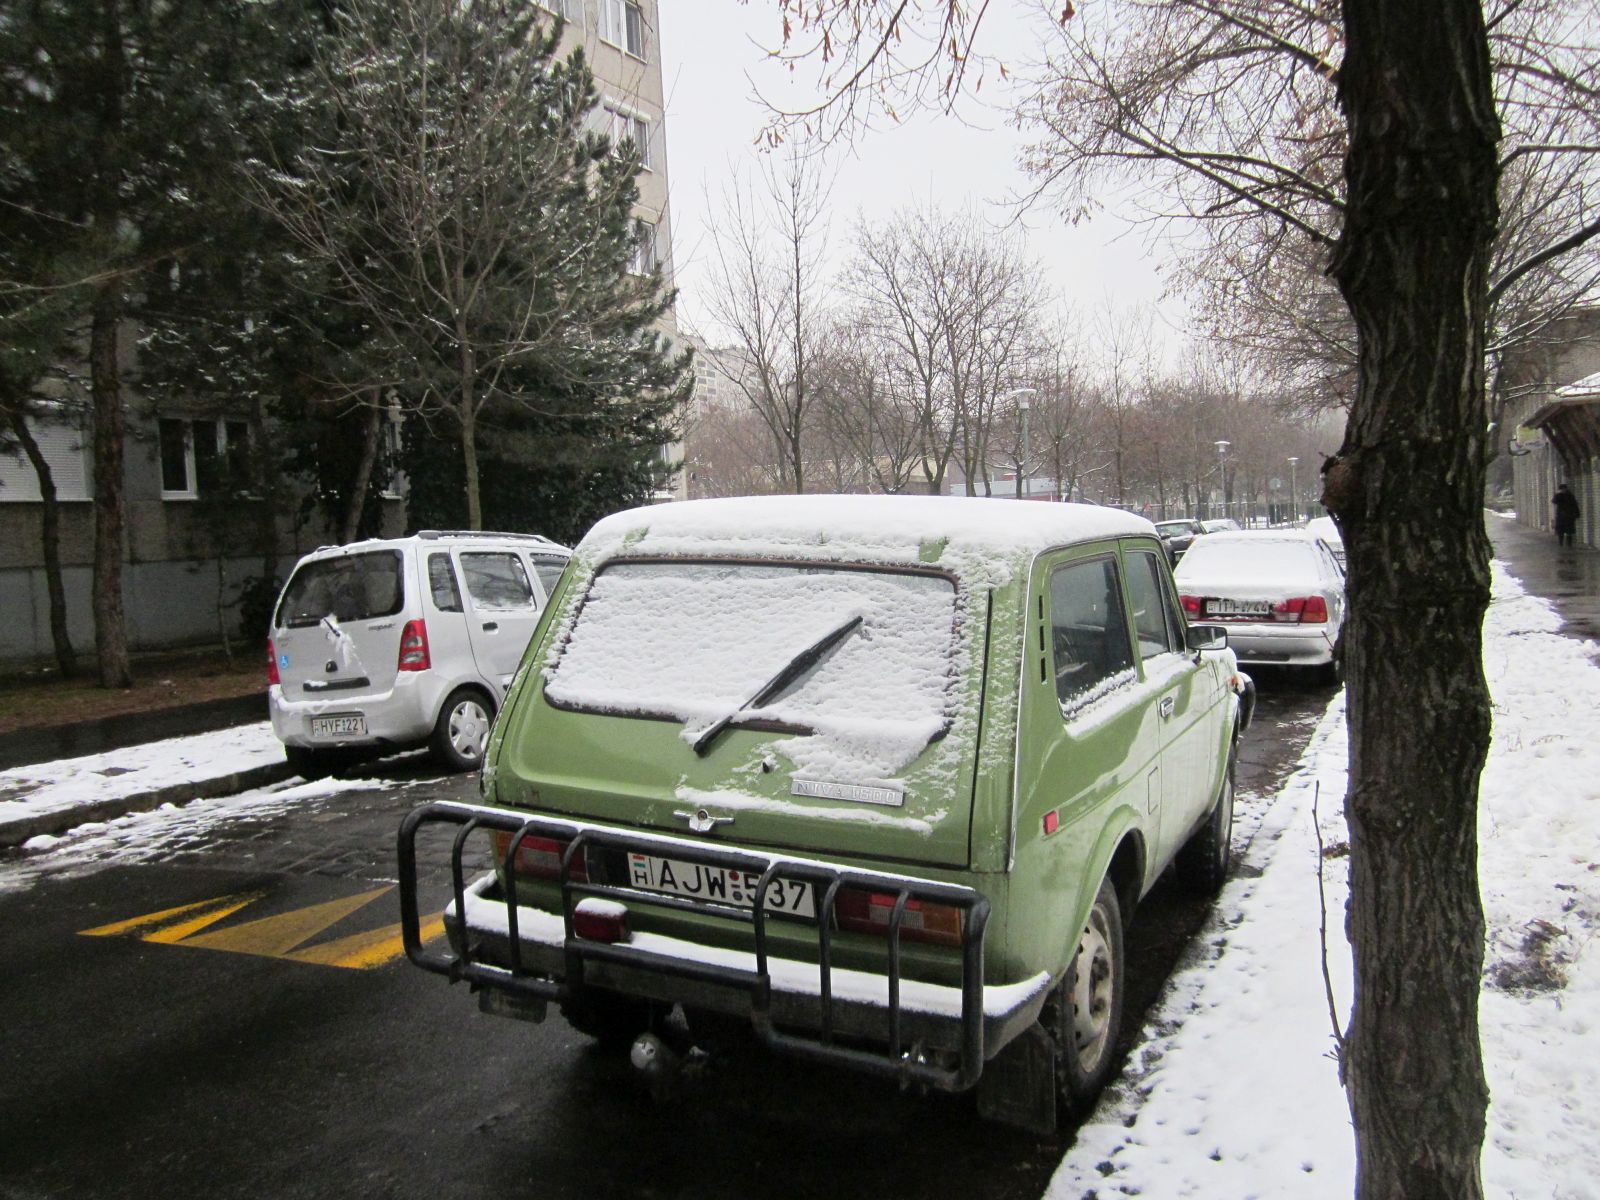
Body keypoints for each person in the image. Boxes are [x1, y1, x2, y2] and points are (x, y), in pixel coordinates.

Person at [1552, 482, 1581, 548]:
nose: (1563, 490)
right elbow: (1554, 501)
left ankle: (1569, 544)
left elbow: (1575, 505)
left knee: (1569, 531)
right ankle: (1561, 543)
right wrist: (1557, 494)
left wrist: (1577, 513)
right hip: (1561, 516)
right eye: (1562, 489)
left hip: (1569, 516)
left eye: (1564, 489)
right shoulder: (1558, 496)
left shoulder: (1570, 495)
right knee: (1560, 531)